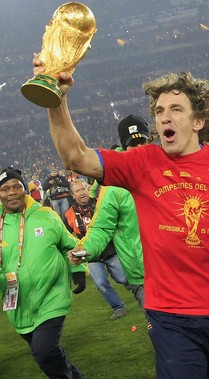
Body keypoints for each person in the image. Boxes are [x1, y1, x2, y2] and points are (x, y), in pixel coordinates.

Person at [36, 58, 209, 378]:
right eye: (159, 111)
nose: (165, 116)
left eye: (176, 109)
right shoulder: (143, 162)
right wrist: (56, 99)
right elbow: (75, 156)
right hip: (170, 315)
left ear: (198, 121)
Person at [0, 167, 86, 378]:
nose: (11, 192)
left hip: (52, 296)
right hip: (19, 305)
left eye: (16, 187)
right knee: (49, 354)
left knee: (44, 352)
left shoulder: (45, 215)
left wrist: (78, 269)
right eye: (4, 189)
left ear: (25, 190)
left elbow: (70, 243)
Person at [77, 115, 148, 309]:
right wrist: (85, 249)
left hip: (178, 270)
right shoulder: (114, 188)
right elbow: (101, 227)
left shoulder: (166, 172)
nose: (139, 148)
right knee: (164, 335)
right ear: (124, 149)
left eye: (143, 141)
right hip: (143, 277)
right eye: (133, 144)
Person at [64, 179, 129, 320]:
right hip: (91, 256)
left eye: (83, 189)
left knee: (122, 277)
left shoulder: (102, 203)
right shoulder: (68, 215)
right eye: (77, 191)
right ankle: (118, 307)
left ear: (87, 189)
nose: (81, 193)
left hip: (110, 250)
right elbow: (67, 238)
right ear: (72, 195)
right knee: (101, 284)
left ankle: (130, 284)